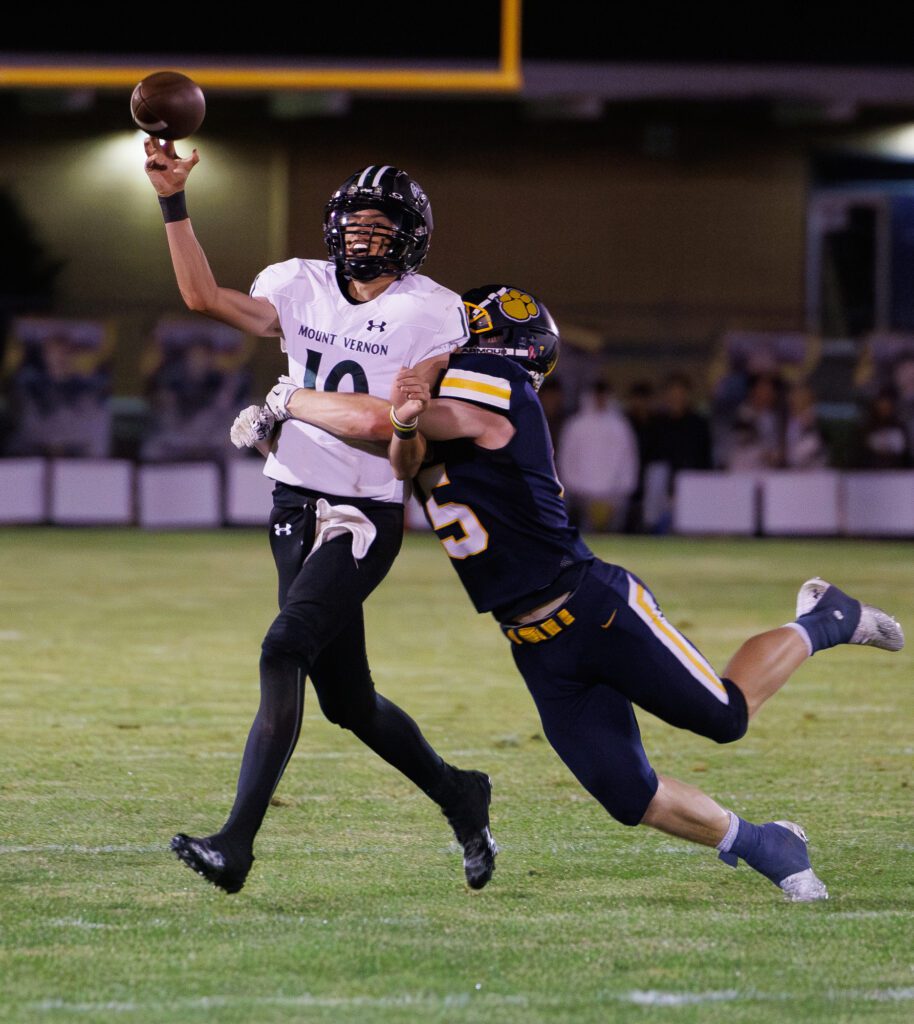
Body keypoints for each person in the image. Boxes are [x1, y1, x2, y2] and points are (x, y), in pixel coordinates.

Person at [253, 283, 905, 902]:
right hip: (532, 643)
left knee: (725, 718)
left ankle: (826, 618)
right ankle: (770, 847)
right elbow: (393, 442)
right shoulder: (435, 407)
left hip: (593, 605)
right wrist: (354, 420)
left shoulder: (496, 384)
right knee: (629, 795)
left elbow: (394, 418)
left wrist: (291, 398)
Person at [142, 138, 496, 893]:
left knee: (283, 650)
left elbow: (392, 420)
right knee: (349, 701)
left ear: (411, 237)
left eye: (382, 224)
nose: (365, 235)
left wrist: (288, 399)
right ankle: (461, 793)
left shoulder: (430, 311)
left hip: (363, 512)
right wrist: (173, 201)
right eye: (355, 220)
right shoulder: (298, 283)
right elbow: (206, 299)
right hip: (292, 503)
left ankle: (235, 842)